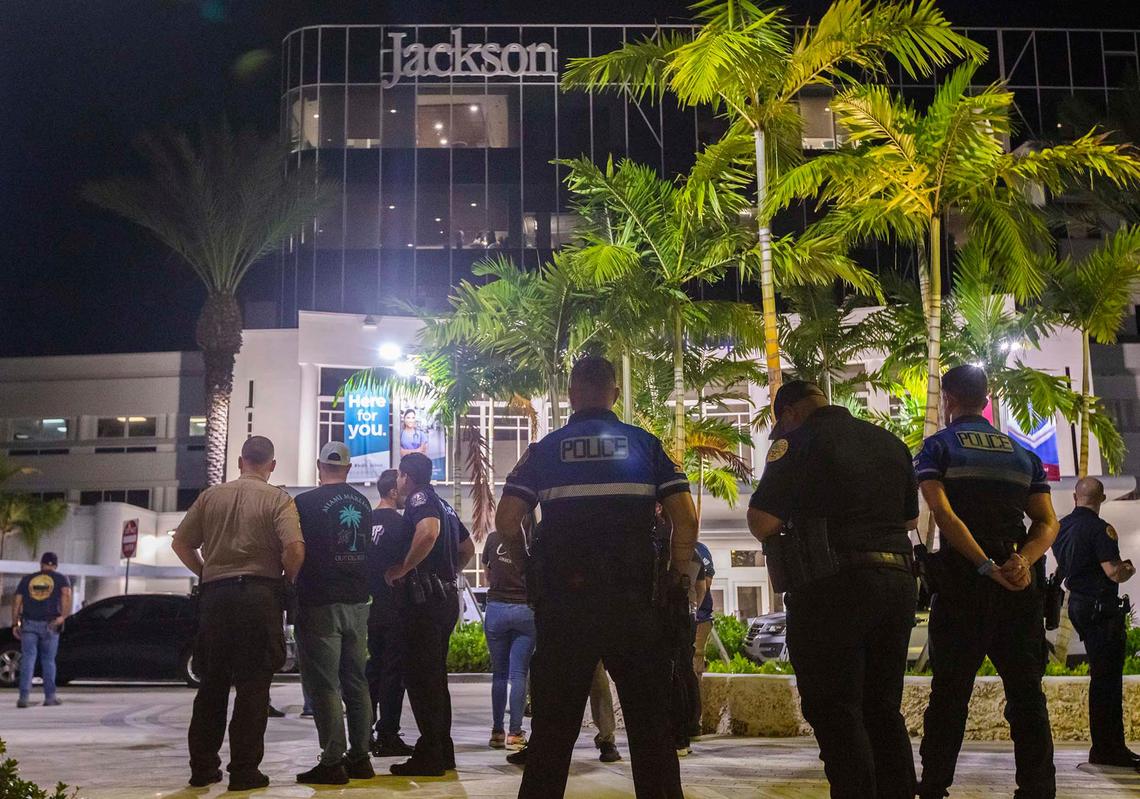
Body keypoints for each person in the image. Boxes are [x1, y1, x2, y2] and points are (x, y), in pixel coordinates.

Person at [496, 355, 698, 799]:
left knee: (552, 732)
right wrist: (677, 577)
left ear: (571, 394)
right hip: (635, 608)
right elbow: (686, 520)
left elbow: (507, 519)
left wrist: (526, 563)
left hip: (566, 609)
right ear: (616, 394)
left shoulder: (545, 450)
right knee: (651, 730)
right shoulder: (646, 445)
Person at [747, 380, 920, 799]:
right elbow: (910, 520)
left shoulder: (796, 443)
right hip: (897, 583)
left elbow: (762, 520)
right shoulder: (889, 441)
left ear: (787, 413)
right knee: (882, 709)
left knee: (836, 709)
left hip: (832, 588)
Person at [914, 365, 1060, 799]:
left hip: (964, 582)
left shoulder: (939, 448)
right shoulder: (1023, 455)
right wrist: (1022, 561)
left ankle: (935, 785)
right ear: (986, 400)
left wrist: (984, 566)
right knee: (1027, 694)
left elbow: (945, 515)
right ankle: (1038, 789)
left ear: (949, 401)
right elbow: (1047, 522)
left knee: (950, 694)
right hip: (1019, 586)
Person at [171, 436, 305, 792]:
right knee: (253, 687)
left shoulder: (211, 497)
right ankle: (244, 771)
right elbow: (294, 548)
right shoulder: (278, 499)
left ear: (240, 461)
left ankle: (202, 768)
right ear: (271, 465)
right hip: (260, 598)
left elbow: (180, 543)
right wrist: (284, 578)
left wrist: (205, 571)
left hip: (215, 598)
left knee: (212, 684)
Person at [383, 452, 475, 776]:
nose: (398, 482)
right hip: (444, 597)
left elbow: (428, 532)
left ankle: (431, 754)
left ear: (405, 477)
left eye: (399, 476)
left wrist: (403, 569)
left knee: (421, 679)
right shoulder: (444, 502)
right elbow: (468, 548)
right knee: (435, 678)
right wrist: (448, 574)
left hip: (423, 603)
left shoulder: (420, 498)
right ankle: (441, 748)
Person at [292, 441, 376, 784]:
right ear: (349, 467)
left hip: (319, 602)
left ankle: (332, 761)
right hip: (357, 603)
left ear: (318, 464)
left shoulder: (304, 503)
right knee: (356, 680)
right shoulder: (364, 503)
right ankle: (361, 758)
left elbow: (295, 550)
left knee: (324, 684)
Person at [1051, 476, 1138, 769]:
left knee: (1100, 678)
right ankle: (1108, 749)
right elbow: (1113, 572)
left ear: (1075, 497)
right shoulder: (1101, 529)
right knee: (1107, 681)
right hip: (1101, 609)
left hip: (1077, 605)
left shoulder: (1062, 527)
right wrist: (1128, 568)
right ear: (1100, 499)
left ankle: (1105, 747)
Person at [366, 468, 416, 757]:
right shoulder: (401, 525)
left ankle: (364, 732)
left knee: (371, 671)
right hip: (395, 608)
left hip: (368, 608)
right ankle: (388, 733)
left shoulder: (365, 521)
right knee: (393, 674)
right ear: (393, 493)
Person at [482, 527, 536, 751]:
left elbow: (487, 571)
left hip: (496, 608)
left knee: (499, 674)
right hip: (525, 609)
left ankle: (497, 731)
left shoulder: (494, 538)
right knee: (519, 674)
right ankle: (515, 733)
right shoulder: (533, 542)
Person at [13, 551, 72, 709]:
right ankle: (50, 697)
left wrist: (14, 624)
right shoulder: (61, 578)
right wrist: (63, 616)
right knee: (48, 660)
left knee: (28, 660)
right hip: (50, 624)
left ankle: (24, 698)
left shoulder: (27, 579)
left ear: (41, 564)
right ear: (56, 565)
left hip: (29, 624)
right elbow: (66, 595)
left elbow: (17, 601)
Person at [690, 539, 715, 736]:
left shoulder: (699, 549)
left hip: (699, 618)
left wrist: (693, 612)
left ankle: (693, 720)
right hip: (688, 618)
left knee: (694, 668)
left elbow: (704, 585)